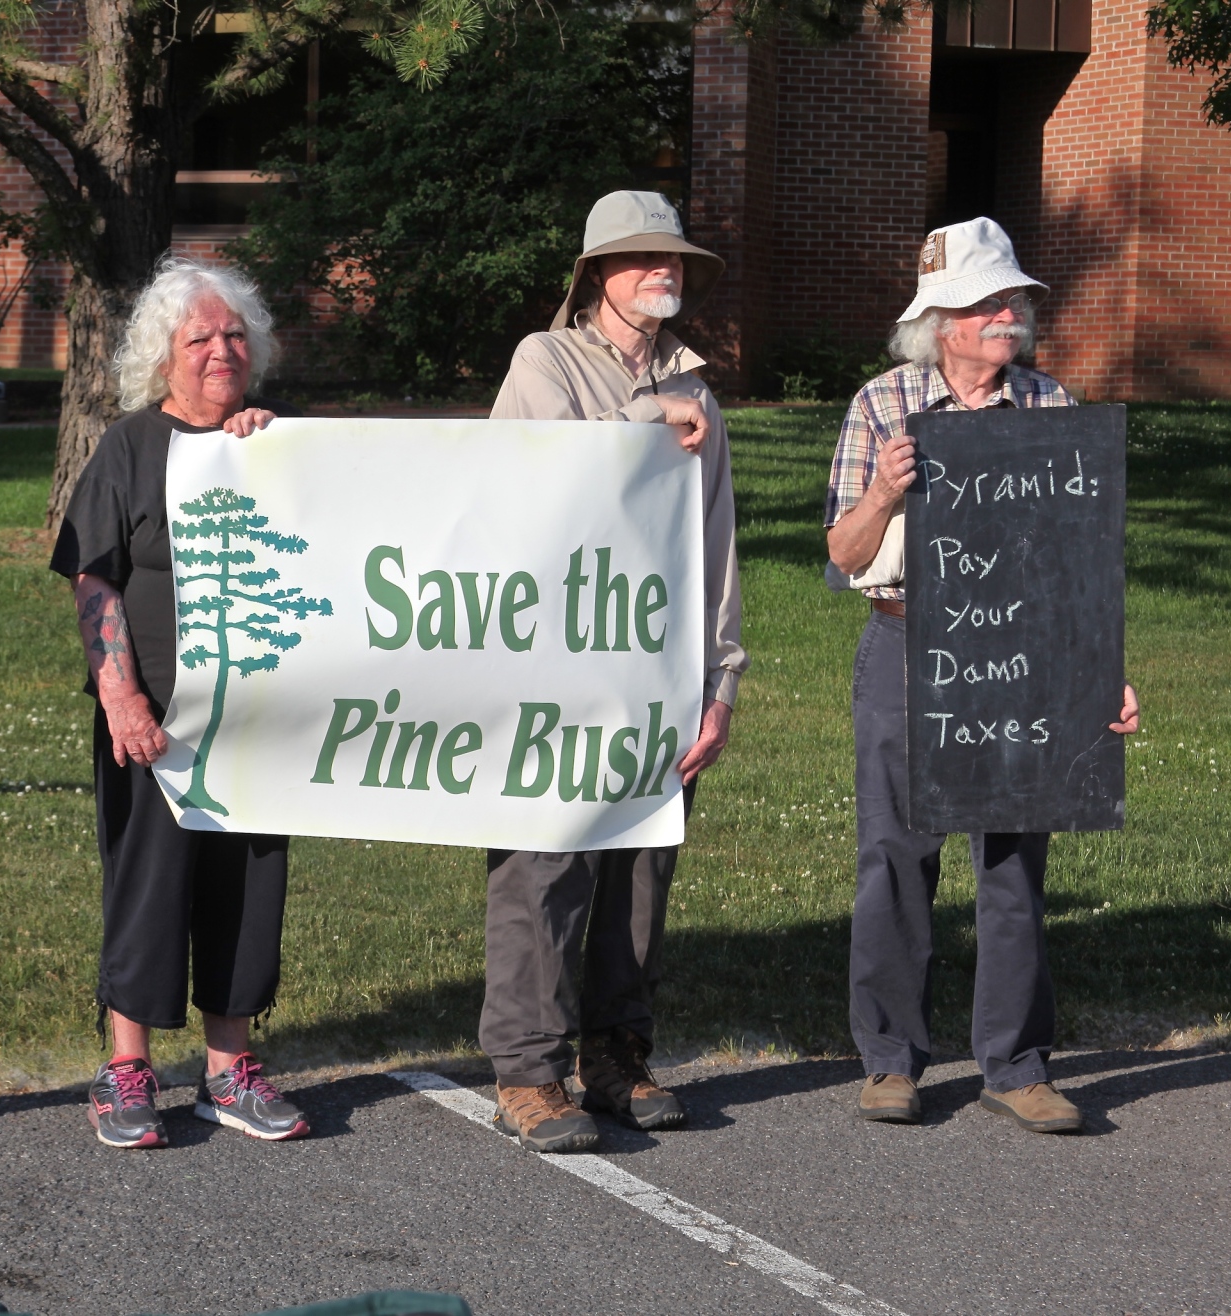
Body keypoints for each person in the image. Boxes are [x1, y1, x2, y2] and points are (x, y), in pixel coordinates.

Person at [825, 216, 1140, 1134]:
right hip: (904, 642)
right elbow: (844, 556)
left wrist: (1101, 674)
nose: (1010, 315)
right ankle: (890, 1061)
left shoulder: (1049, 405)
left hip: (1027, 653)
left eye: (1015, 300)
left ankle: (1016, 1063)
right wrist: (884, 490)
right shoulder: (881, 404)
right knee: (894, 856)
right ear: (941, 323)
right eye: (988, 302)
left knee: (1013, 860)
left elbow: (1082, 562)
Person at [483, 191, 748, 1152]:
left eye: (672, 261)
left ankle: (616, 1057)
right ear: (597, 273)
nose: (662, 274)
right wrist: (649, 411)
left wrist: (721, 679)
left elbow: (713, 539)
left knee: (641, 865)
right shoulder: (543, 360)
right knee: (544, 864)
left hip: (657, 663)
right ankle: (528, 1072)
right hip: (546, 658)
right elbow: (539, 476)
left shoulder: (699, 385)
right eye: (640, 261)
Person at [49, 257, 309, 1150]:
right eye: (198, 338)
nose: (220, 350)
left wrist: (269, 451)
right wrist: (120, 697)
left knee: (246, 884)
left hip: (257, 712)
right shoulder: (129, 444)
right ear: (164, 359)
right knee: (148, 880)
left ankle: (228, 1069)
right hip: (154, 714)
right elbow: (94, 575)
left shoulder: (271, 443)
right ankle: (126, 1069)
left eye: (234, 335)